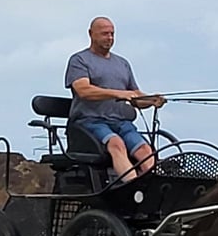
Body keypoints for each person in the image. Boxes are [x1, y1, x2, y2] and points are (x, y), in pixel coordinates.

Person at [65, 16, 166, 182]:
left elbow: (135, 96)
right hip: (91, 122)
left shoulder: (122, 63)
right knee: (116, 143)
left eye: (112, 34)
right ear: (91, 34)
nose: (110, 38)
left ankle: (151, 185)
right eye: (105, 34)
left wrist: (151, 100)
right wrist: (118, 93)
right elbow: (84, 90)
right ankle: (132, 187)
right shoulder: (79, 60)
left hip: (121, 122)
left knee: (145, 150)